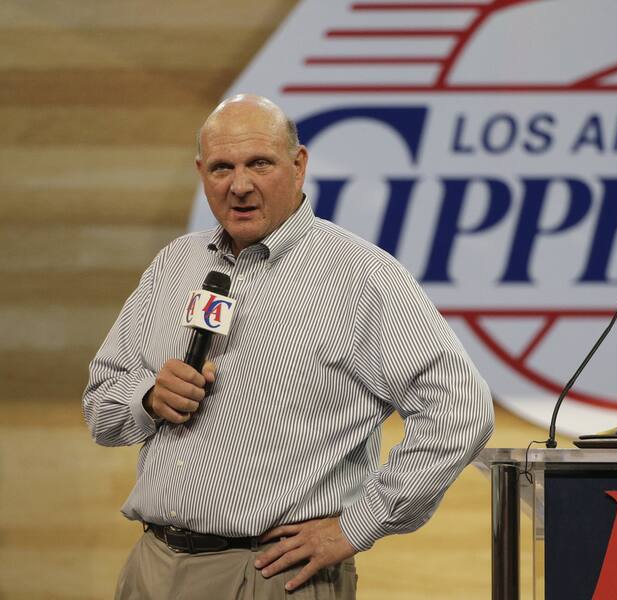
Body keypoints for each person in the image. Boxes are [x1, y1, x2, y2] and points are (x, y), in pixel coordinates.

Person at [83, 94, 495, 599]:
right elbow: (101, 408)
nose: (239, 185)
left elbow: (462, 409)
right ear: (201, 172)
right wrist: (148, 398)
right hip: (152, 566)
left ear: (298, 165)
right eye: (222, 167)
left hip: (271, 574)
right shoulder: (176, 264)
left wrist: (360, 524)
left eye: (259, 163)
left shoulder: (361, 276)